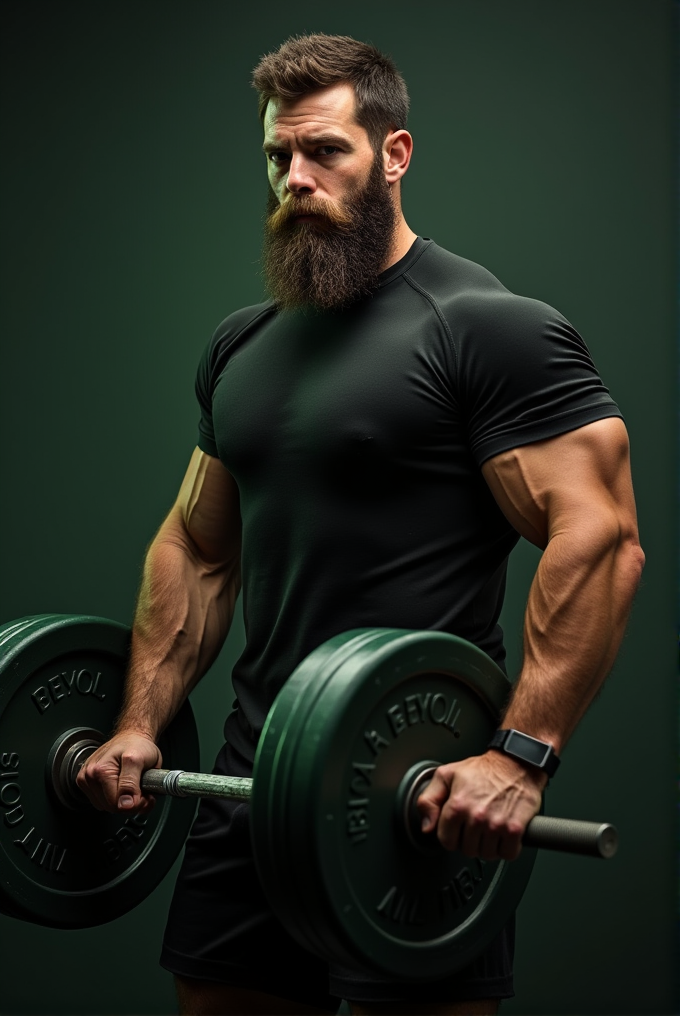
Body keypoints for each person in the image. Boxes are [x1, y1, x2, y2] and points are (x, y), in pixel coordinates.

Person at [77, 33, 644, 1016]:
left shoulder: (487, 326)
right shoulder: (241, 344)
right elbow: (197, 547)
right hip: (250, 786)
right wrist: (137, 722)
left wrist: (518, 756)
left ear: (393, 153)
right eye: (275, 157)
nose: (294, 178)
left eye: (324, 151)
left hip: (415, 794)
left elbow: (597, 537)